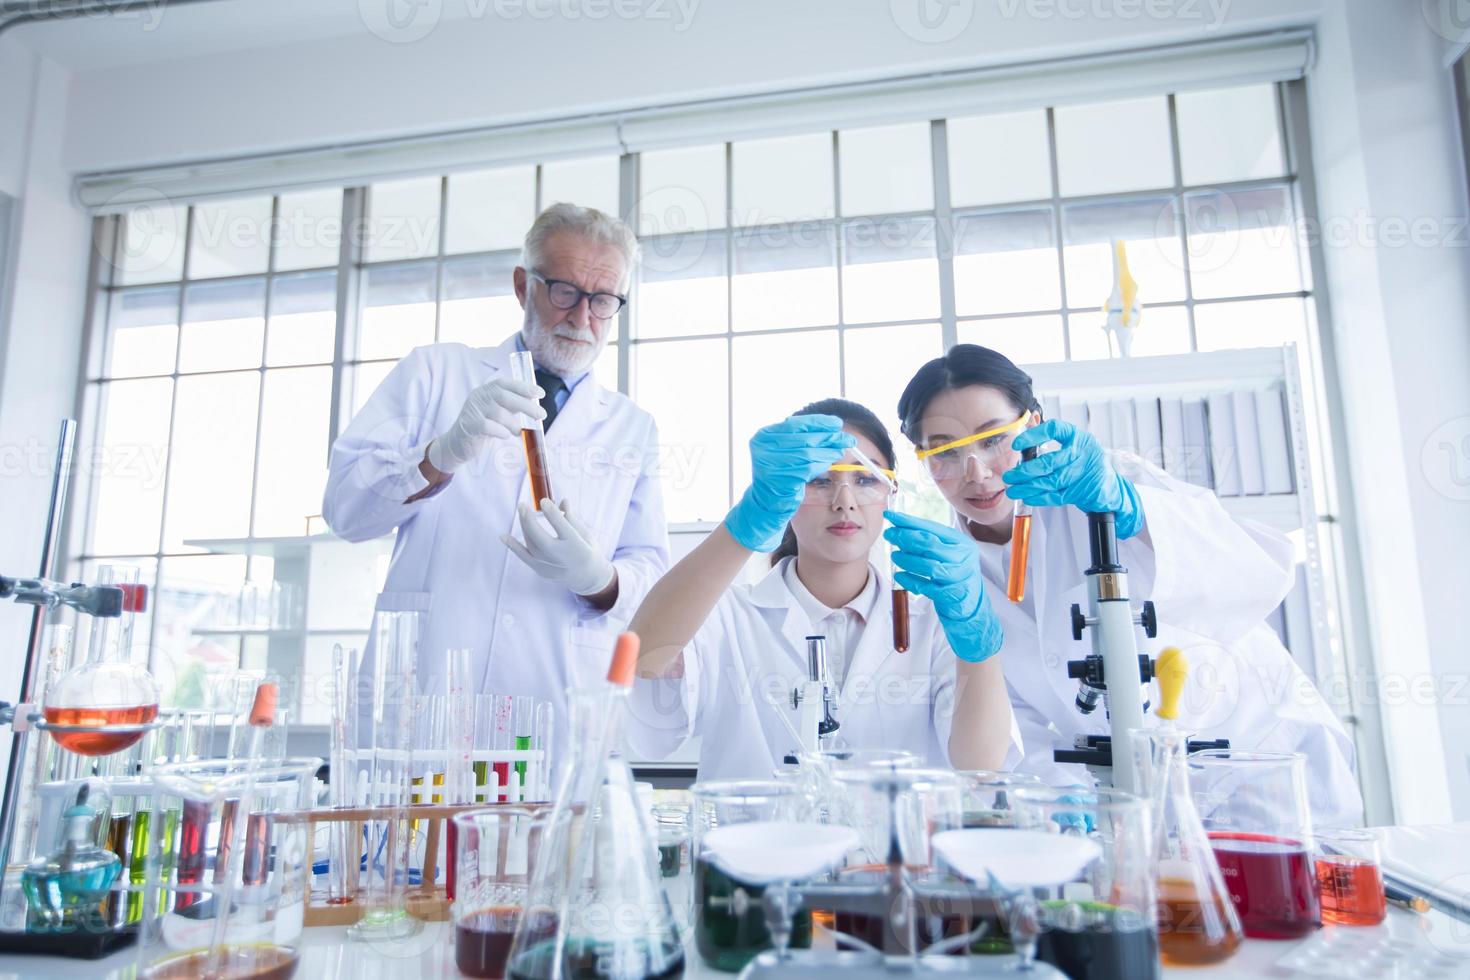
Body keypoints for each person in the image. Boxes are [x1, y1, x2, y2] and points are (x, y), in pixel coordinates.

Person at [890, 344, 1363, 826]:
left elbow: (1258, 570)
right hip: (1136, 800)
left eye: (992, 440)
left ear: (1033, 424)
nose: (977, 471)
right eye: (946, 450)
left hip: (1259, 761)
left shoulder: (1106, 484)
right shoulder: (950, 570)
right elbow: (1011, 720)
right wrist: (1053, 795)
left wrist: (1131, 507)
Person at [323, 203, 669, 725]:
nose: (582, 318)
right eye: (565, 292)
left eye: (603, 301)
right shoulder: (434, 373)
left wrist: (601, 578)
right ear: (522, 285)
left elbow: (652, 571)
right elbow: (345, 511)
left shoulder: (632, 427)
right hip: (423, 700)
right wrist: (437, 458)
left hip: (552, 708)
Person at [624, 398, 1018, 781]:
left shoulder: (932, 622)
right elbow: (643, 666)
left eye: (865, 479)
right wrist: (741, 527)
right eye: (818, 481)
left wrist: (977, 639)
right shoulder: (728, 615)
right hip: (754, 848)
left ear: (890, 495)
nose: (844, 502)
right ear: (783, 496)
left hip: (895, 849)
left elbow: (979, 765)